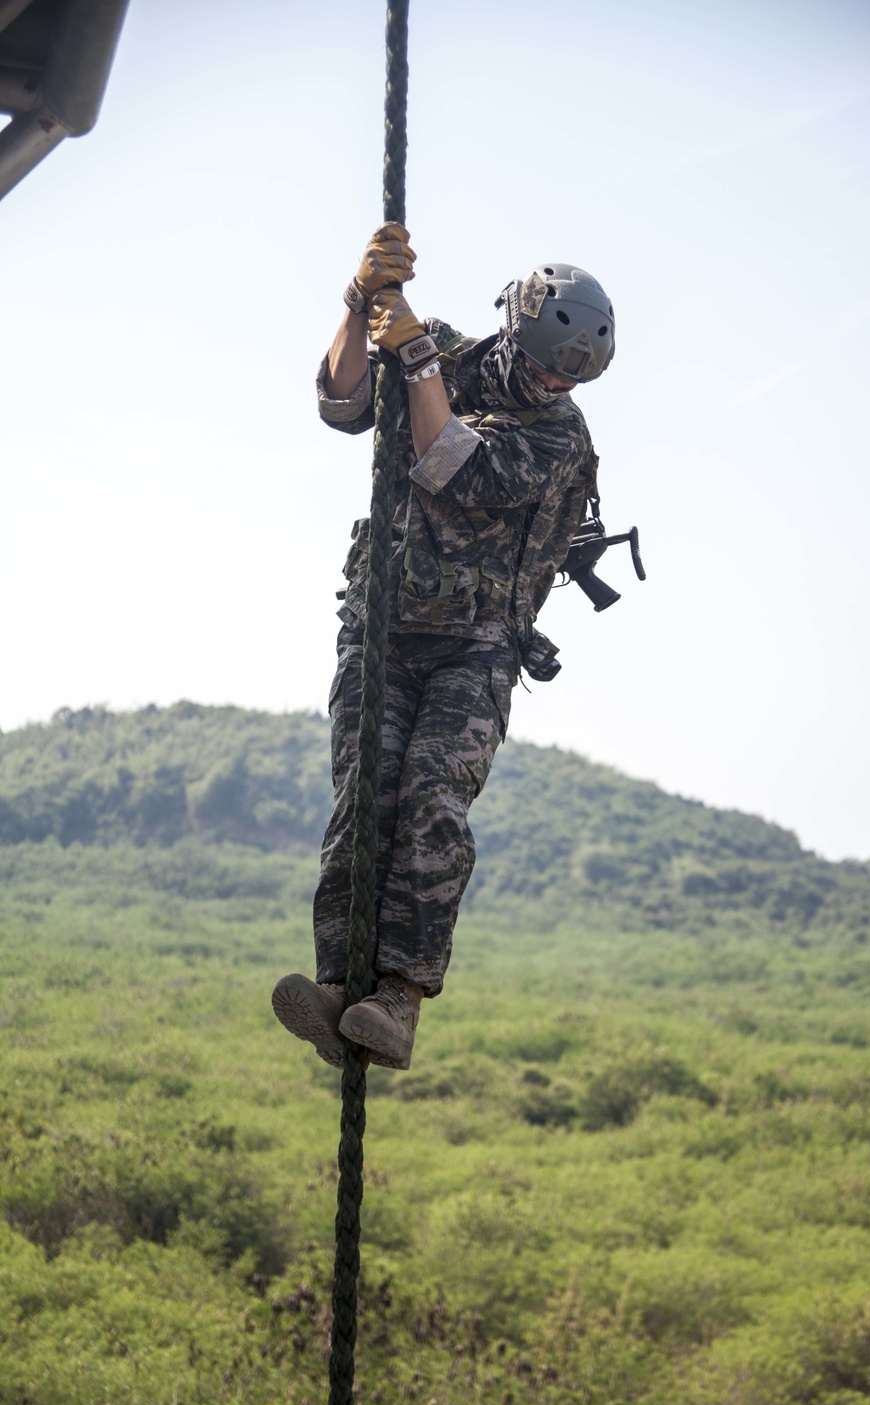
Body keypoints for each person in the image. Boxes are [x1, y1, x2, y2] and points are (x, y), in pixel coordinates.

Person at [271, 223, 615, 1071]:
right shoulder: (451, 358)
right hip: (384, 624)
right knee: (365, 800)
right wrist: (360, 303)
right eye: (545, 365)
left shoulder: (558, 437)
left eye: (569, 376)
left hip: (475, 650)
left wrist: (418, 358)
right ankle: (339, 985)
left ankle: (397, 999)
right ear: (519, 335)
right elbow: (342, 402)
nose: (551, 383)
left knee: (431, 803)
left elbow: (457, 466)